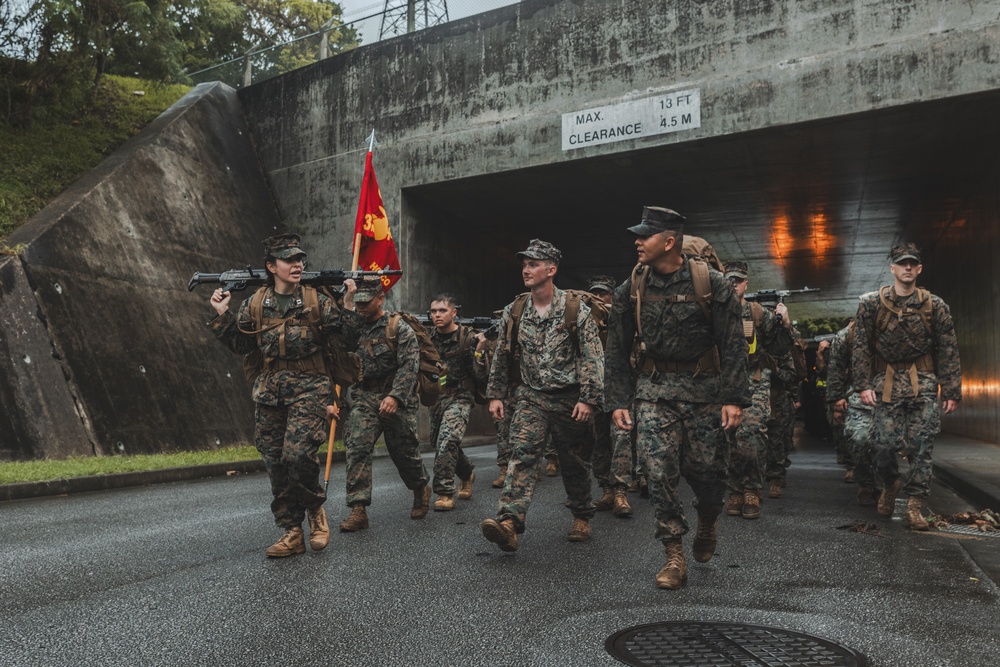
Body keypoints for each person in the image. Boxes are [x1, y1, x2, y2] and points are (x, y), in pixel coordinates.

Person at [605, 207, 749, 590]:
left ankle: (708, 518)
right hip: (653, 392)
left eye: (645, 236)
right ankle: (673, 553)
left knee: (708, 474)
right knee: (657, 471)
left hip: (704, 393)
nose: (637, 241)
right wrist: (618, 400)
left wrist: (734, 398)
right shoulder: (632, 287)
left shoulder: (712, 284)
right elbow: (616, 348)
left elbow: (733, 345)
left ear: (669, 242)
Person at [207, 234, 363, 557]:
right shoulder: (255, 304)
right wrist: (222, 315)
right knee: (275, 461)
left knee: (297, 454)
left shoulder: (315, 300)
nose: (297, 265)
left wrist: (348, 304)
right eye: (289, 260)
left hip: (311, 388)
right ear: (271, 266)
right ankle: (292, 532)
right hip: (270, 391)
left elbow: (348, 340)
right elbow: (242, 345)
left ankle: (315, 511)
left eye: (299, 259)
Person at [480, 239, 605, 552]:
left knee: (574, 464)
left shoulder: (576, 310)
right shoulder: (516, 309)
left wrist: (588, 399)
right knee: (520, 455)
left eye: (533, 264)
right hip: (531, 397)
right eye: (524, 264)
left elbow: (592, 358)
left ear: (552, 269)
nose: (526, 269)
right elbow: (503, 355)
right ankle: (508, 522)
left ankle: (581, 514)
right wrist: (495, 394)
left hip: (570, 399)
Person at [851, 243, 961, 530]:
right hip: (885, 383)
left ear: (920, 268)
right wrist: (863, 384)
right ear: (892, 268)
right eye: (902, 263)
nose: (908, 267)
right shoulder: (872, 304)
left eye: (913, 263)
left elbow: (948, 348)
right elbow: (861, 347)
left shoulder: (935, 306)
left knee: (921, 445)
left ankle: (914, 506)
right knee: (882, 444)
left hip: (922, 383)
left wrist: (950, 389)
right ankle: (890, 484)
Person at [338, 277, 431, 532]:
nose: (360, 307)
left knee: (403, 453)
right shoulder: (353, 326)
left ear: (380, 298)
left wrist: (395, 396)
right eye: (357, 303)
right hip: (364, 396)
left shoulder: (398, 327)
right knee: (357, 446)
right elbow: (338, 351)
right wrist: (347, 303)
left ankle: (421, 486)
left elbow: (409, 366)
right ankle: (358, 510)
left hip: (395, 397)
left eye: (365, 303)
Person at [722, 260, 793, 520]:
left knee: (752, 436)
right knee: (727, 439)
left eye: (738, 280)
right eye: (729, 279)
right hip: (723, 384)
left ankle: (751, 489)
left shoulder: (758, 313)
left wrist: (785, 323)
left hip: (754, 381)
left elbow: (780, 349)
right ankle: (734, 491)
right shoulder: (714, 312)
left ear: (745, 284)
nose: (733, 284)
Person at [427, 293, 481, 510]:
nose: (437, 315)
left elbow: (481, 375)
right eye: (433, 311)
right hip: (437, 397)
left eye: (442, 311)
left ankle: (444, 492)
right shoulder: (428, 339)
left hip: (460, 396)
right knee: (437, 442)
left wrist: (479, 353)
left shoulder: (468, 338)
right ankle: (467, 473)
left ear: (454, 313)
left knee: (447, 440)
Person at [587, 275, 632, 518]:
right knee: (599, 440)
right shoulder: (586, 319)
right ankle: (605, 488)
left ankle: (621, 491)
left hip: (621, 389)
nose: (599, 298)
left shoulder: (622, 316)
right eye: (596, 293)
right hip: (596, 390)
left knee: (622, 437)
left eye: (604, 293)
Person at [826, 320, 879, 506]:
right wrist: (837, 401)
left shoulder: (892, 330)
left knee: (888, 444)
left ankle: (886, 483)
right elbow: (835, 370)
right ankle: (866, 484)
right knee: (860, 439)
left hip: (890, 397)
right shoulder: (845, 337)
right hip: (857, 397)